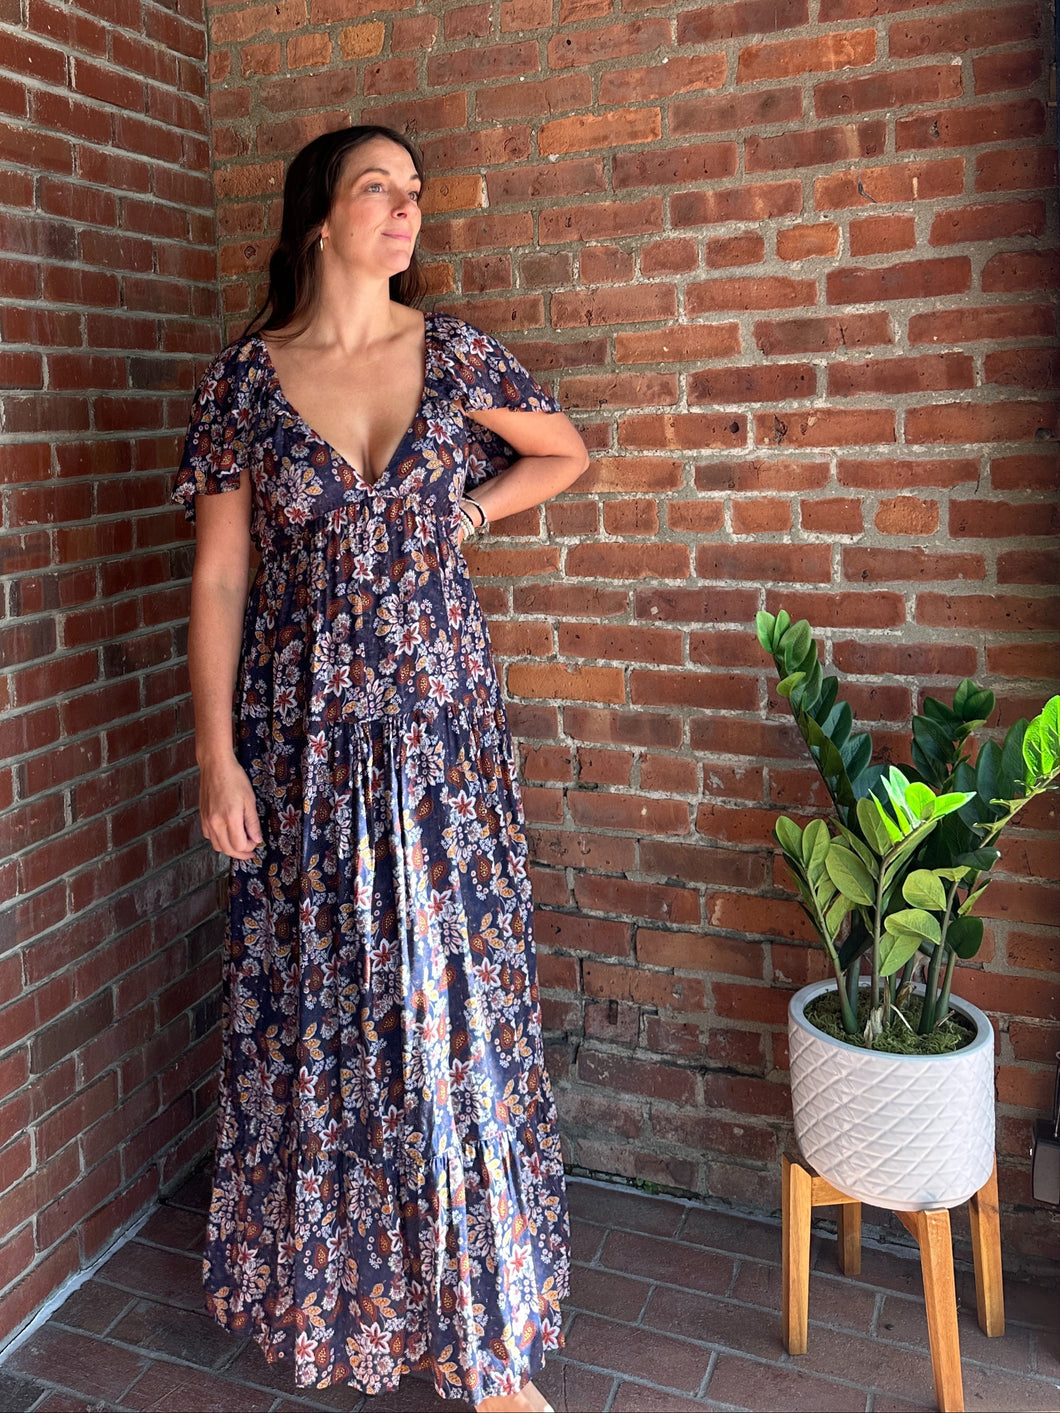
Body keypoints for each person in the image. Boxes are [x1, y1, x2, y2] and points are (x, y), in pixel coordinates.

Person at [172, 124, 589, 1412]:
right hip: (300, 754)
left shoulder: (452, 353)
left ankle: (486, 1336)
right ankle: (346, 1304)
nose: (405, 212)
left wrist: (466, 510)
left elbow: (566, 451)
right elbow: (222, 579)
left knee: (450, 1015)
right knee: (329, 1029)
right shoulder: (244, 385)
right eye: (378, 189)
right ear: (318, 217)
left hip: (443, 745)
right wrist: (215, 758)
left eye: (415, 195)